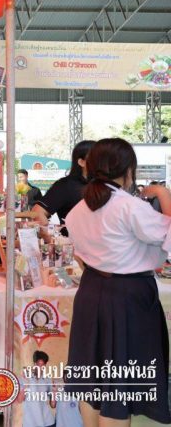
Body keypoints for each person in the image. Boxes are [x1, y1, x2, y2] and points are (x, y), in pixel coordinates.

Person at [65, 138, 171, 426]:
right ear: (128, 169)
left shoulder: (78, 209)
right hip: (127, 296)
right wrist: (163, 194)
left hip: (91, 291)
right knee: (120, 382)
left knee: (92, 376)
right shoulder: (129, 206)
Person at [32, 140, 95, 235]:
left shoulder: (104, 184)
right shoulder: (65, 186)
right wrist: (51, 238)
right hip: (73, 242)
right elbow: (37, 212)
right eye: (96, 157)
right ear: (81, 162)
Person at [19, 350, 56, 427]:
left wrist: (54, 392)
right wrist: (26, 385)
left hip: (47, 422)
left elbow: (53, 405)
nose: (40, 367)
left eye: (43, 365)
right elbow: (20, 399)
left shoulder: (47, 379)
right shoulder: (25, 377)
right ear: (34, 363)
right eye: (38, 364)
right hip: (30, 423)